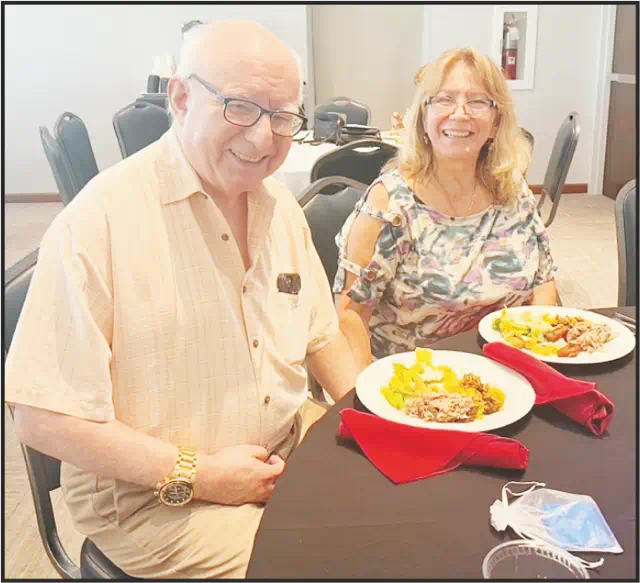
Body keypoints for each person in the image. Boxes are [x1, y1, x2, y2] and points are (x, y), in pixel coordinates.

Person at [5, 21, 358, 578]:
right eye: (240, 107)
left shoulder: (281, 209)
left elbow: (321, 335)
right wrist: (204, 475)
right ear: (182, 98)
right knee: (336, 565)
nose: (263, 138)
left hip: (282, 450)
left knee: (405, 512)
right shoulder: (99, 222)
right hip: (154, 501)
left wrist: (370, 419)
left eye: (281, 116)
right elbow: (42, 417)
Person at [334, 47, 558, 372]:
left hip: (509, 376)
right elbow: (349, 315)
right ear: (423, 118)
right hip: (415, 384)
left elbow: (543, 281)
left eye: (478, 101)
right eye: (444, 99)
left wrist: (538, 359)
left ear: (496, 122)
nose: (460, 113)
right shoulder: (389, 205)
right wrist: (367, 393)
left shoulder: (512, 190)